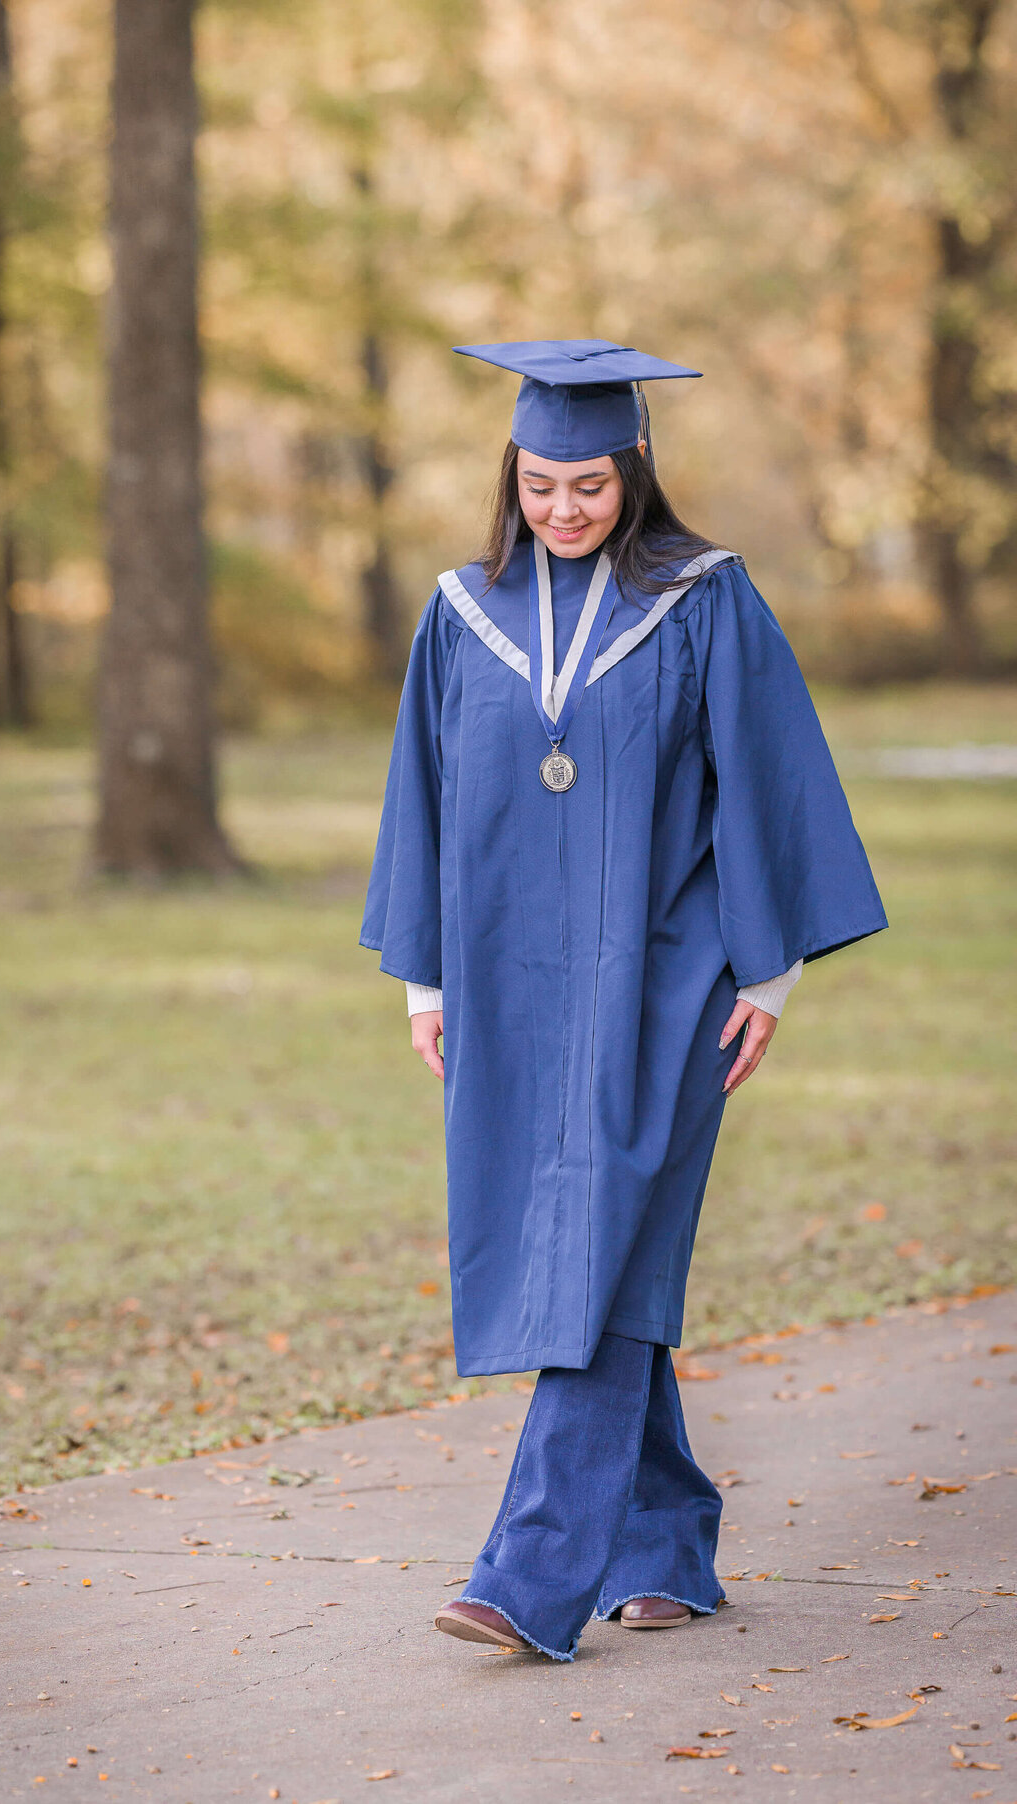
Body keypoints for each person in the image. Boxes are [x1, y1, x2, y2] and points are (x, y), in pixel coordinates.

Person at [360, 339, 887, 1661]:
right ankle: (664, 1537)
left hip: (670, 975)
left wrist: (767, 974)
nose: (563, 512)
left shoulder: (703, 600)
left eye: (588, 486)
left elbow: (770, 781)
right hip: (510, 985)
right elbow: (421, 800)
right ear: (513, 476)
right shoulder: (460, 611)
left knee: (600, 1234)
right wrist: (424, 977)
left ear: (635, 472)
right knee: (616, 1244)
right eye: (540, 487)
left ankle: (529, 1574)